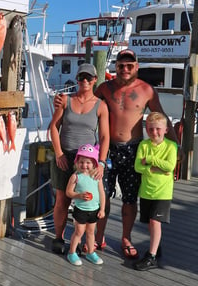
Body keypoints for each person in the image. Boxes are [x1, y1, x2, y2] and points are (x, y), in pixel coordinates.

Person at [54, 49, 178, 259]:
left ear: (136, 67)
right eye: (121, 65)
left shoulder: (146, 90)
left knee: (130, 199)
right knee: (104, 195)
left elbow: (162, 116)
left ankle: (126, 239)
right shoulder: (105, 88)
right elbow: (86, 99)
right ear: (116, 66)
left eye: (130, 65)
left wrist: (176, 145)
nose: (125, 69)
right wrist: (61, 99)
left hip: (133, 149)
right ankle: (97, 238)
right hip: (108, 150)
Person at [49, 63, 109, 255]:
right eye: (81, 77)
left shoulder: (101, 105)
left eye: (88, 78)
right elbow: (53, 127)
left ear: (94, 80)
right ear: (77, 79)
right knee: (62, 200)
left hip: (88, 161)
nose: (84, 81)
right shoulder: (65, 100)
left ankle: (84, 241)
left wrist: (100, 162)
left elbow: (105, 136)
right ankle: (59, 238)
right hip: (65, 157)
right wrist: (58, 153)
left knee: (89, 200)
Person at [133, 112, 177, 271]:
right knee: (149, 223)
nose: (154, 132)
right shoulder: (143, 145)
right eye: (151, 129)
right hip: (146, 191)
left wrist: (150, 160)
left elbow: (170, 166)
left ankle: (151, 257)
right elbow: (138, 166)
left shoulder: (171, 146)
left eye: (158, 129)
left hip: (162, 193)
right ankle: (156, 247)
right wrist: (155, 169)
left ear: (166, 130)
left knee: (155, 222)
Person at [65, 144, 106, 266]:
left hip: (94, 209)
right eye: (81, 162)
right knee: (79, 232)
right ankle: (72, 252)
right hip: (81, 209)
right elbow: (68, 192)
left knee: (90, 232)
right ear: (77, 163)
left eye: (88, 162)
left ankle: (90, 252)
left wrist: (102, 209)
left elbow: (102, 193)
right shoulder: (75, 177)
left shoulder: (96, 177)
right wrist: (79, 195)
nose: (84, 165)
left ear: (94, 163)